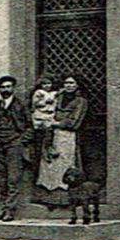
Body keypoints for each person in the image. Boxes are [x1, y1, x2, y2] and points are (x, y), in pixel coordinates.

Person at [0, 75, 35, 221]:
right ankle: (3, 208)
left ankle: (10, 210)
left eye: (8, 87)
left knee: (13, 179)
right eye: (2, 87)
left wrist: (20, 141)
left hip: (14, 145)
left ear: (13, 88)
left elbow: (30, 127)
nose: (5, 90)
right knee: (1, 179)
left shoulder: (21, 105)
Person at [36, 74, 90, 204]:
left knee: (65, 164)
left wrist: (56, 123)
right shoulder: (57, 97)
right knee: (49, 166)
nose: (69, 86)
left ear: (77, 85)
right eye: (66, 83)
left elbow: (75, 122)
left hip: (67, 136)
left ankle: (65, 199)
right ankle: (49, 198)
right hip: (51, 135)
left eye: (72, 83)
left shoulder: (81, 101)